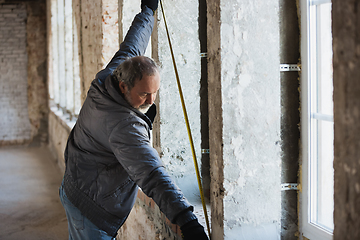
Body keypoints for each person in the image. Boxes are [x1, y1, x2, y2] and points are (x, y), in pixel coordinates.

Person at [59, 1, 209, 239]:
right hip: (91, 208)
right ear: (124, 86)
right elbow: (152, 174)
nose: (151, 100)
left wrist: (147, 12)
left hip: (76, 186)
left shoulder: (109, 77)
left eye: (155, 92)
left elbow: (133, 44)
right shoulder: (124, 126)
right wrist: (187, 220)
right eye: (144, 94)